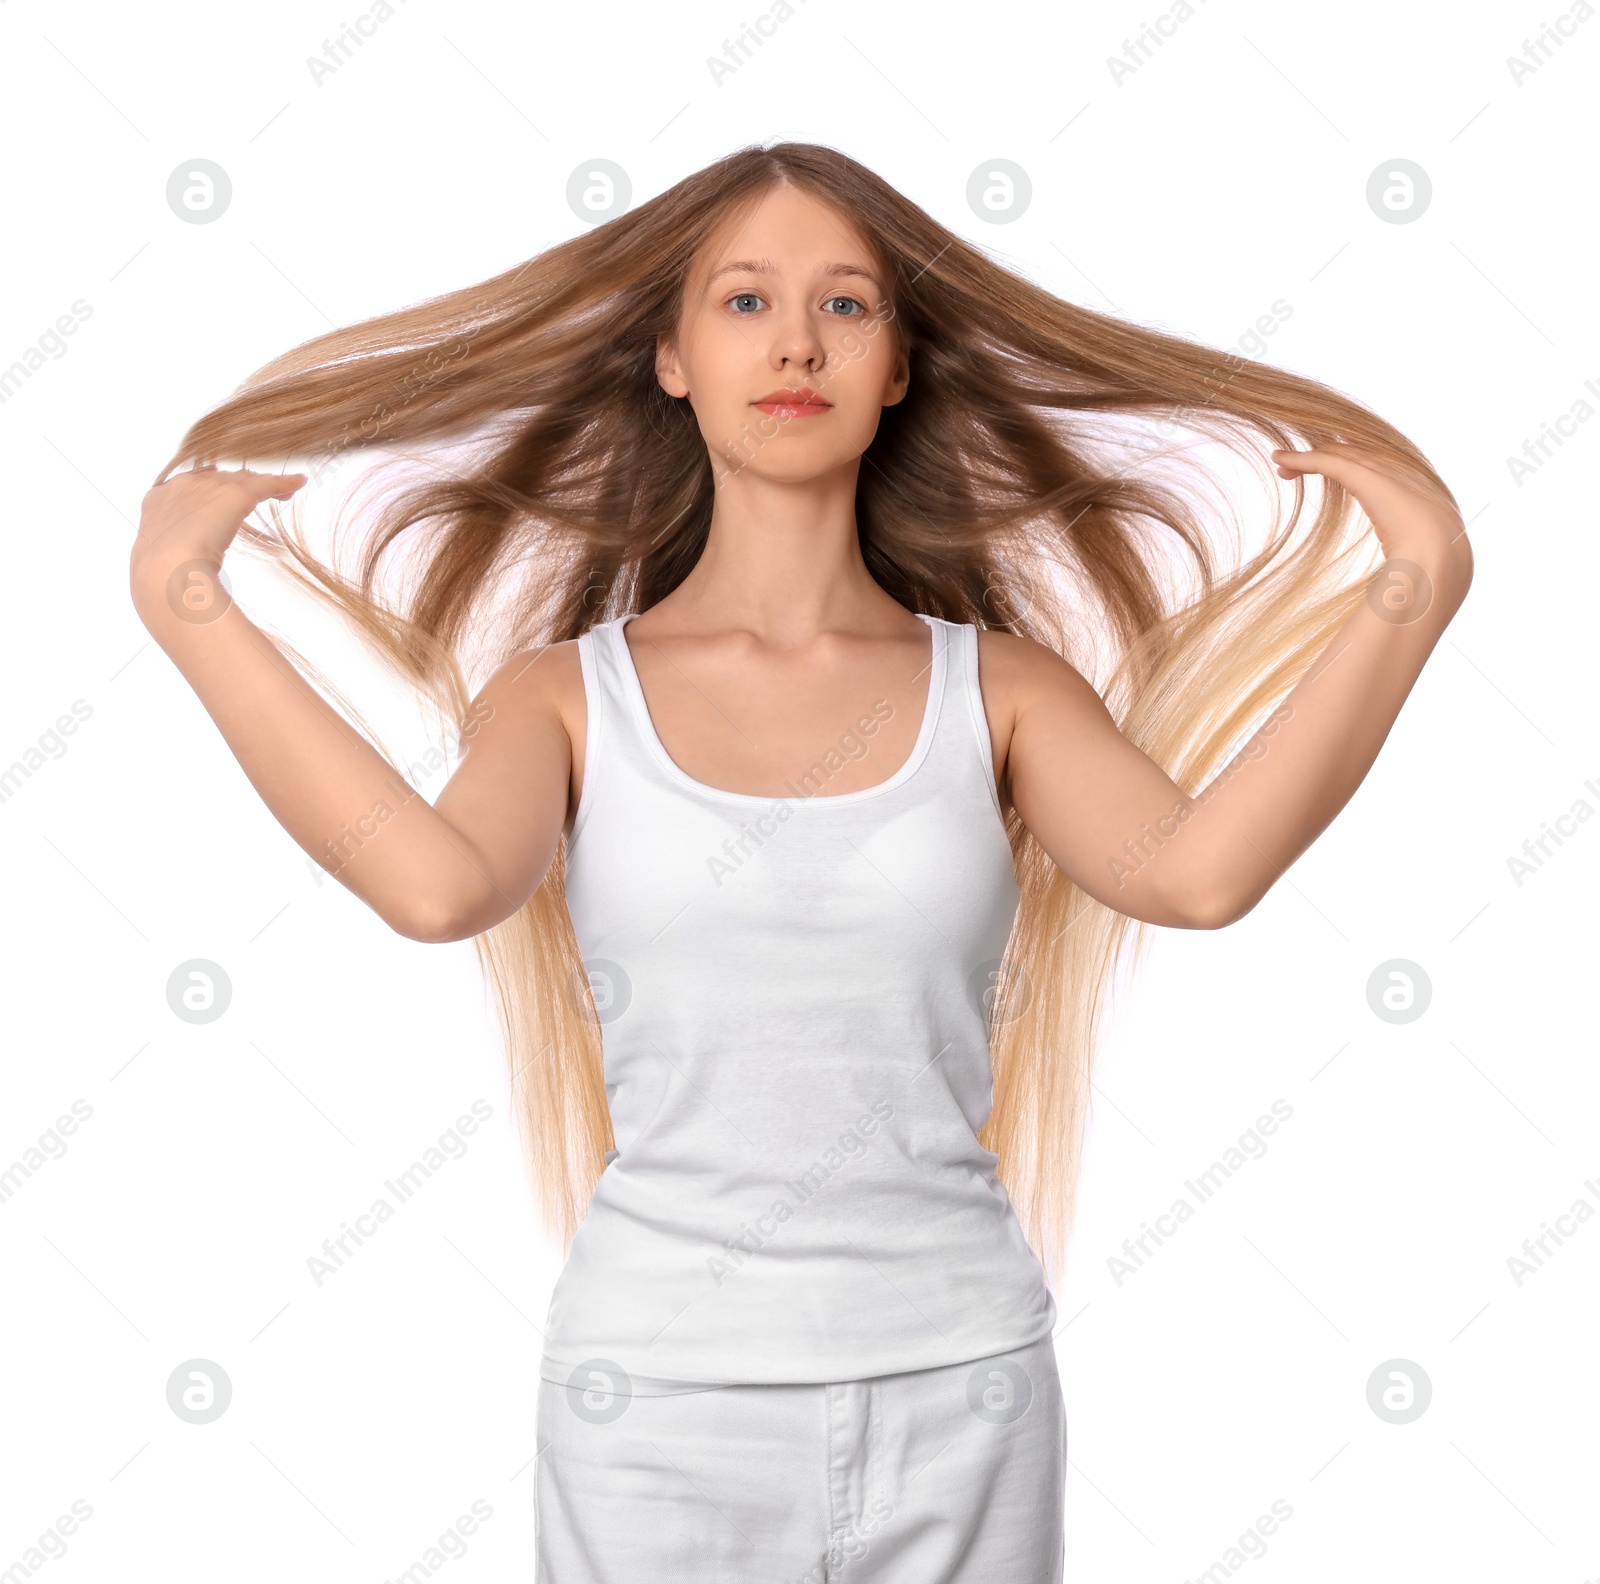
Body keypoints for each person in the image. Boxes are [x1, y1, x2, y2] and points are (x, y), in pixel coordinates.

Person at [128, 141, 1472, 1581]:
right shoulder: (565, 695)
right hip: (651, 1411)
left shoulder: (1001, 689)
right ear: (672, 358)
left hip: (965, 1388)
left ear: (898, 367)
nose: (795, 342)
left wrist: (1418, 585)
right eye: (745, 301)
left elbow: (1197, 875)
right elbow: (441, 886)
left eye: (846, 306)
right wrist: (191, 608)